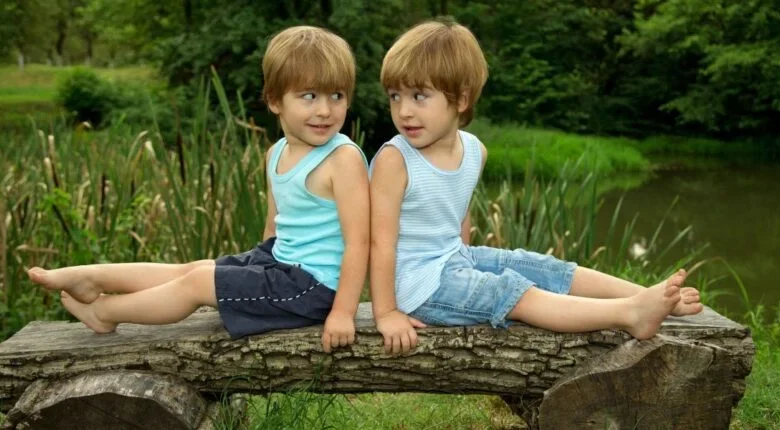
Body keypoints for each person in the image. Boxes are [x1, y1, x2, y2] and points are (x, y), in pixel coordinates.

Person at [27, 26, 370, 353]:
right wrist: (253, 270)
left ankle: (105, 313)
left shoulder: (342, 159)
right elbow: (274, 228)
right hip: (281, 266)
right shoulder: (276, 153)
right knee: (195, 269)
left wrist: (342, 312)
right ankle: (93, 278)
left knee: (197, 284)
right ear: (274, 100)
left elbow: (359, 243)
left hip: (316, 289)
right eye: (309, 96)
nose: (324, 110)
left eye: (336, 96)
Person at [369, 20, 703, 354]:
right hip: (417, 289)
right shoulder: (395, 160)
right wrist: (386, 313)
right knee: (509, 292)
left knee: (536, 265)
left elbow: (459, 217)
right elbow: (380, 243)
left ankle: (646, 296)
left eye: (419, 96)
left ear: (461, 99)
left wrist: (469, 268)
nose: (404, 111)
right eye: (395, 96)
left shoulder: (474, 151)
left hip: (455, 261)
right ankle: (630, 314)